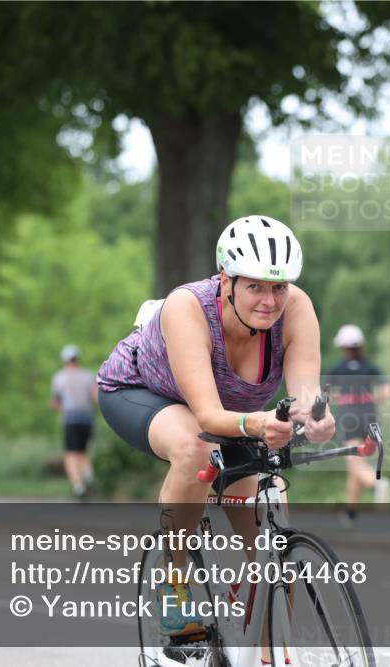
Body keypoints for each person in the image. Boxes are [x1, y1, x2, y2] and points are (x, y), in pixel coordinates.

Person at [96, 215, 335, 642]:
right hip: (142, 392)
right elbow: (207, 417)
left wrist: (313, 416)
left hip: (233, 416)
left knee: (270, 524)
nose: (269, 300)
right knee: (195, 448)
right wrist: (260, 423)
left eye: (279, 286)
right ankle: (174, 585)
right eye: (255, 286)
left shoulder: (297, 307)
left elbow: (303, 394)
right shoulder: (188, 307)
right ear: (227, 280)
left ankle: (267, 648)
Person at [327, 324, 390, 527]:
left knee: (354, 462)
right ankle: (351, 512)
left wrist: (338, 399)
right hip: (370, 417)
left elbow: (325, 394)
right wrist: (374, 399)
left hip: (349, 417)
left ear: (344, 347)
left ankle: (376, 484)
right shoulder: (370, 366)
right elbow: (387, 390)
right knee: (356, 464)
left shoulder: (337, 368)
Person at [51, 344, 99, 499]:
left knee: (71, 454)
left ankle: (78, 487)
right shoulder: (88, 375)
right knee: (83, 451)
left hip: (71, 419)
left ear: (64, 360)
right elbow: (95, 398)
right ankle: (88, 475)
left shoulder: (59, 377)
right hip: (87, 418)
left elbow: (56, 402)